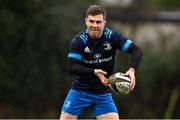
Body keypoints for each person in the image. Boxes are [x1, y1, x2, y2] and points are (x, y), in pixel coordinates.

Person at [60, 5, 143, 119]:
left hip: (102, 93)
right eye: (91, 21)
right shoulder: (79, 41)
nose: (94, 25)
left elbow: (136, 51)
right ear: (86, 21)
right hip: (79, 91)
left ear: (104, 22)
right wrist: (94, 71)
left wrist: (132, 70)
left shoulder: (112, 37)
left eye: (98, 22)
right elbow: (71, 67)